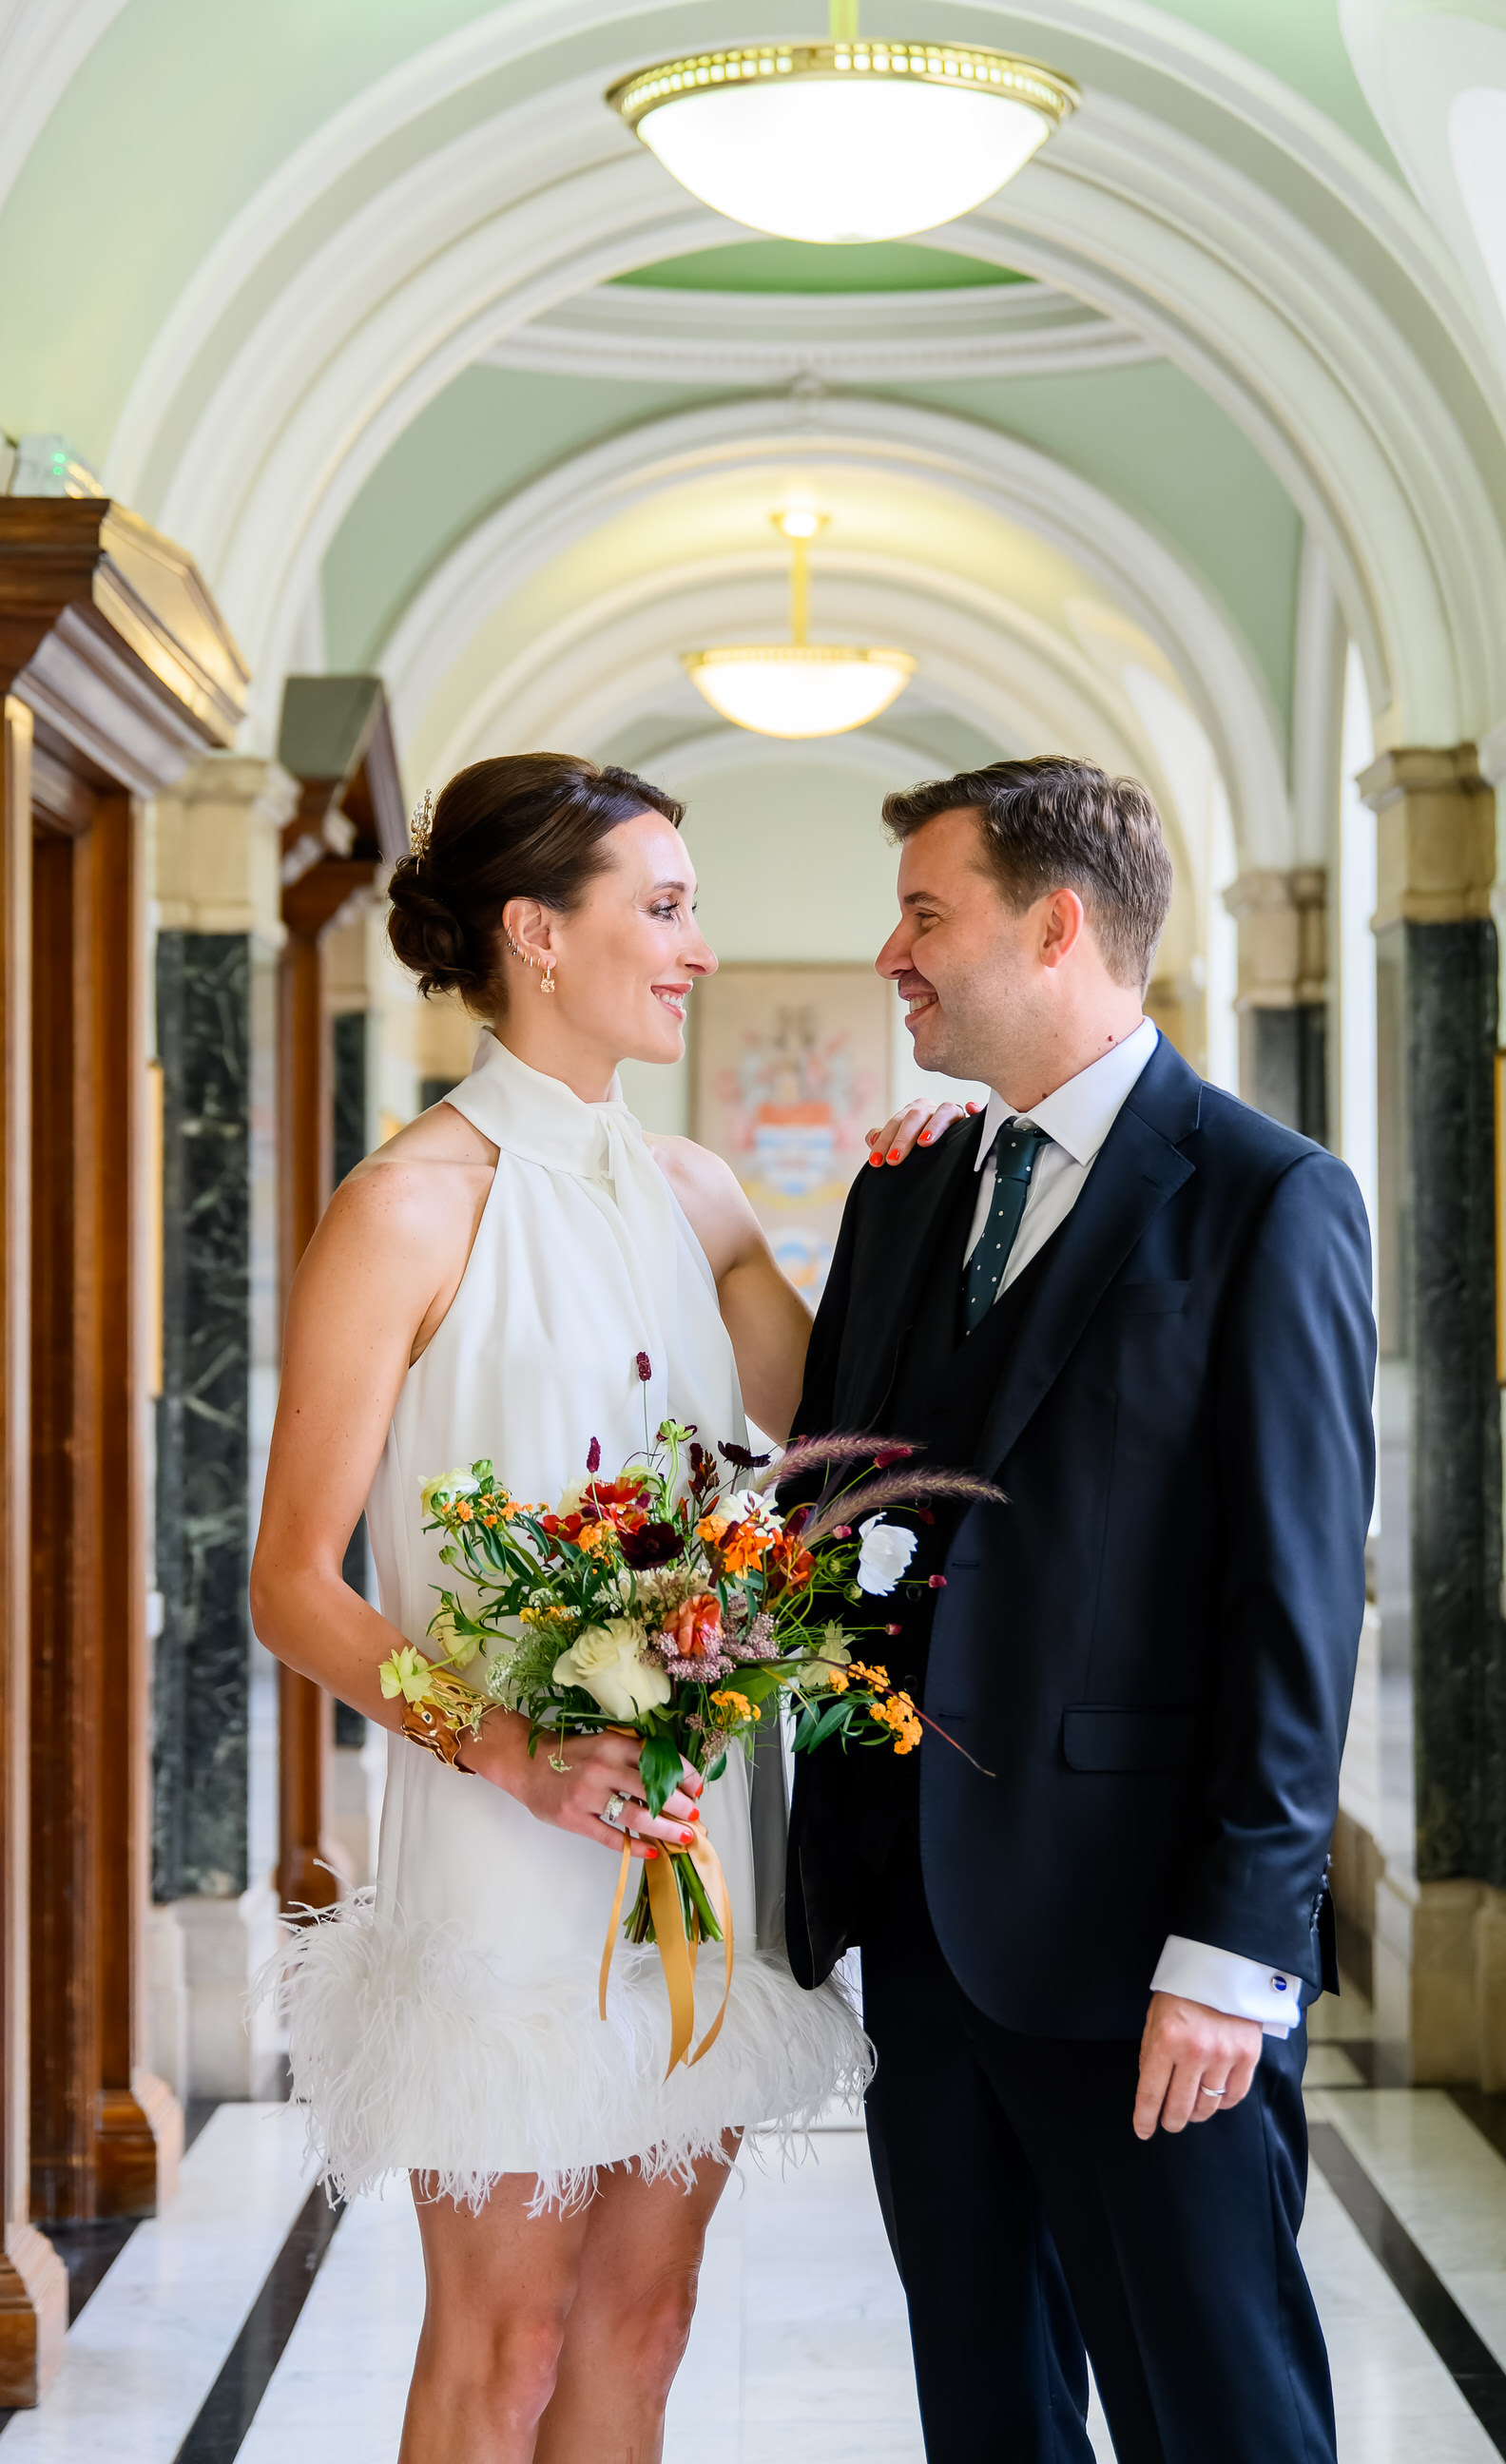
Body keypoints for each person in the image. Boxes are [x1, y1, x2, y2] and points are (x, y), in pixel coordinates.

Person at [249, 752, 962, 2464]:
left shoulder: (701, 1197)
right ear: (532, 936)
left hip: (701, 1846)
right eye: (664, 906)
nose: (698, 946)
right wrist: (505, 1750)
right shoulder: (403, 1207)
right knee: (504, 2349)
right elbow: (287, 1584)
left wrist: (925, 1202)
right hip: (504, 1861)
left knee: (644, 2326)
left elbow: (840, 1433)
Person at [784, 758, 1377, 2464]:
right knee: (987, 2406)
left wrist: (1238, 1952)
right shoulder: (906, 1193)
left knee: (1220, 2411)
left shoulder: (1264, 1199)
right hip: (920, 1927)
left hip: (1147, 1958)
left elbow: (1294, 1603)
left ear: (1054, 928)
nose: (891, 953)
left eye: (924, 913)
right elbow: (837, 1505)